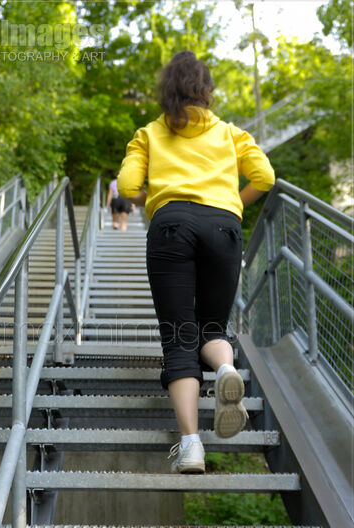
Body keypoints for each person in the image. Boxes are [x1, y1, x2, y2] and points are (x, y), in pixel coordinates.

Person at [117, 51, 275, 474]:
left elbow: (128, 185)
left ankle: (191, 447)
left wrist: (153, 199)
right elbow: (265, 177)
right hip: (223, 228)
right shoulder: (230, 133)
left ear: (167, 90)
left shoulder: (149, 133)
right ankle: (225, 367)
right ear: (207, 91)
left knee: (178, 336)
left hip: (170, 227)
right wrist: (229, 206)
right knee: (212, 328)